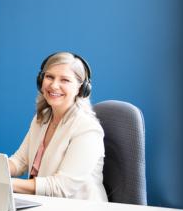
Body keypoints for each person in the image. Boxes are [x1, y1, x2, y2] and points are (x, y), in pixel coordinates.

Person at [8, 52, 108, 201]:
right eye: (49, 77)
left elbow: (60, 187)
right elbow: (21, 161)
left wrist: (5, 183)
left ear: (80, 88)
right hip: (44, 207)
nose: (54, 85)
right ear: (41, 80)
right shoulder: (42, 118)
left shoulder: (87, 129)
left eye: (65, 80)